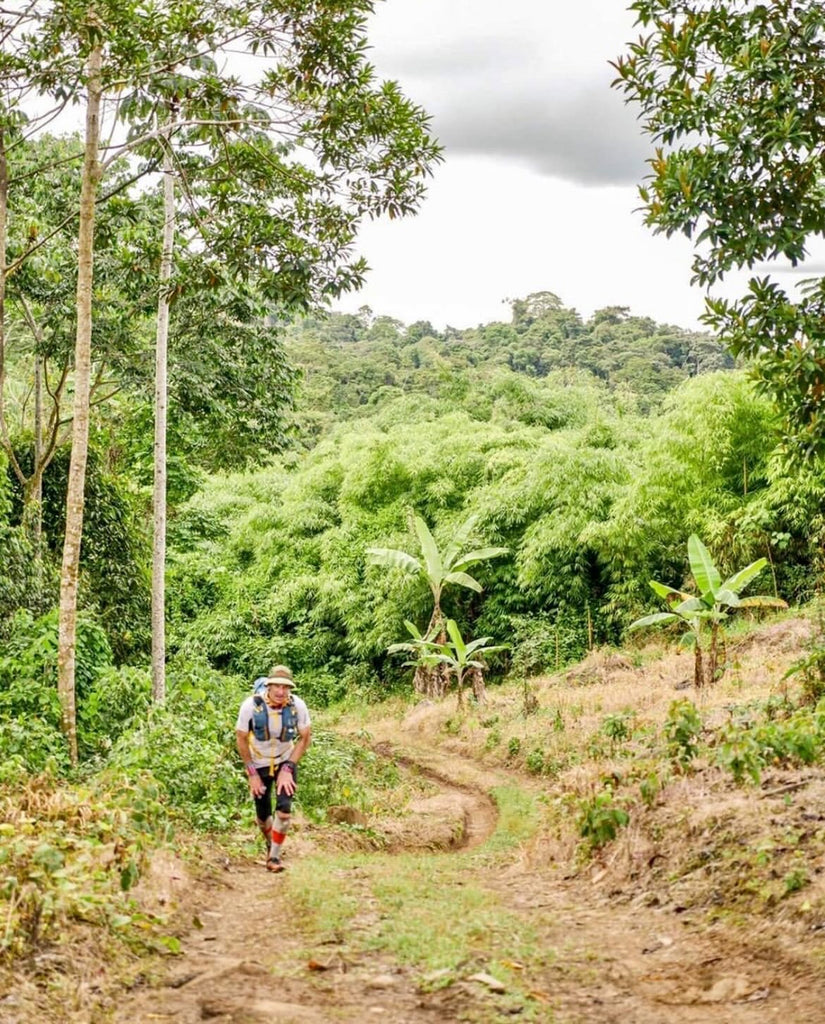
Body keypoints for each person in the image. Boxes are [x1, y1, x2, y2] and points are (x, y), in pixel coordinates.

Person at [235, 664, 311, 872]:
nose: (280, 692)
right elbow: (241, 738)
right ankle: (270, 843)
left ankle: (274, 858)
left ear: (290, 689)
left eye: (285, 687)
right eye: (276, 686)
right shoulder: (250, 706)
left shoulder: (298, 707)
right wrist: (251, 773)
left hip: (285, 758)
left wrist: (289, 766)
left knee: (284, 812)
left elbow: (305, 737)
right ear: (268, 687)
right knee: (263, 814)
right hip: (258, 762)